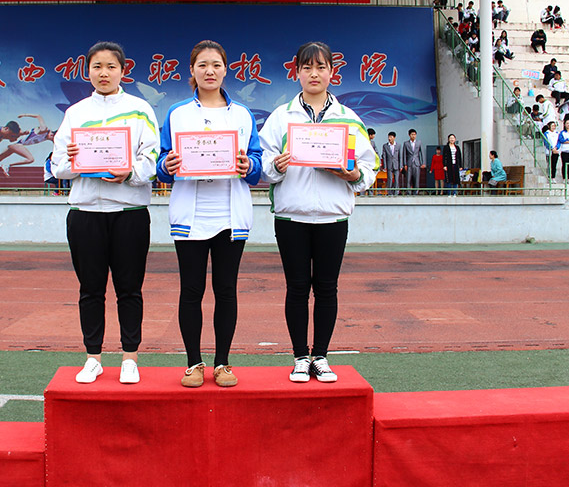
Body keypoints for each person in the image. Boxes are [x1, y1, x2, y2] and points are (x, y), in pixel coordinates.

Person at [260, 41, 378, 383]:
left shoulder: (348, 119)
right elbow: (263, 162)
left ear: (331, 72)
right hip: (292, 217)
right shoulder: (281, 117)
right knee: (297, 288)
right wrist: (276, 166)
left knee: (327, 288)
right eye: (307, 67)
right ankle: (300, 357)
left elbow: (368, 167)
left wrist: (353, 175)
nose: (314, 74)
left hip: (332, 217)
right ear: (296, 72)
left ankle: (321, 356)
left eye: (321, 67)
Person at [50, 41, 159, 385]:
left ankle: (130, 357)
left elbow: (151, 160)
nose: (104, 73)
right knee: (90, 289)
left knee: (130, 288)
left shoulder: (140, 110)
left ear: (123, 71)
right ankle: (93, 358)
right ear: (88, 72)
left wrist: (129, 172)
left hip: (129, 211)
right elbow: (57, 165)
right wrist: (73, 159)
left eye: (111, 66)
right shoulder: (76, 113)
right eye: (97, 66)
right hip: (85, 212)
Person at [156, 40, 262, 388]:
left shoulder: (242, 114)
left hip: (230, 215)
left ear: (225, 69)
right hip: (191, 215)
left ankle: (222, 363)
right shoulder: (177, 113)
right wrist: (167, 165)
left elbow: (257, 165)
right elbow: (162, 163)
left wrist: (248, 166)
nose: (210, 71)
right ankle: (193, 363)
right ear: (192, 70)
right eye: (202, 65)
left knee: (226, 289)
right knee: (191, 290)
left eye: (216, 64)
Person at [402, 128, 424, 195]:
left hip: (417, 163)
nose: (413, 136)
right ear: (409, 135)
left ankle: (416, 192)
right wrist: (405, 164)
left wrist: (423, 163)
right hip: (409, 163)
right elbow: (404, 154)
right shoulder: (406, 143)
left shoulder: (419, 142)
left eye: (414, 134)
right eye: (412, 134)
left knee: (416, 178)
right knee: (408, 179)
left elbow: (422, 153)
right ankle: (408, 192)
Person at [556, 119, 569, 183]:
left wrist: (568, 141)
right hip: (564, 150)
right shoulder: (562, 132)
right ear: (565, 124)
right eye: (567, 123)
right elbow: (561, 140)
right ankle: (564, 178)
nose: (568, 125)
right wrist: (568, 140)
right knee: (564, 164)